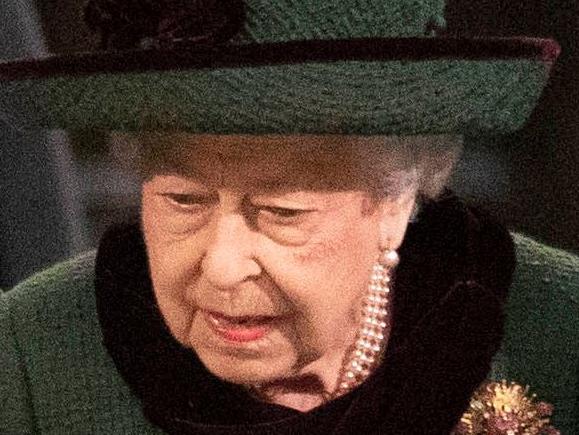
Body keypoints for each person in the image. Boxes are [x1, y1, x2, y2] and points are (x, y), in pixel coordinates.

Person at [0, 0, 577, 434]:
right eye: (184, 200)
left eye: (281, 211)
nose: (223, 269)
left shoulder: (557, 329)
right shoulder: (31, 351)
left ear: (396, 203)